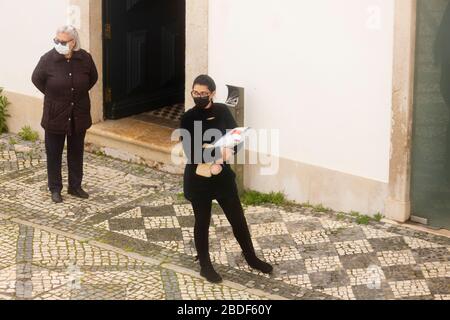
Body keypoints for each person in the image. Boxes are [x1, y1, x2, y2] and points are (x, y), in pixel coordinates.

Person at [179, 75, 273, 283]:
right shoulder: (187, 118)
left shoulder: (222, 111)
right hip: (199, 178)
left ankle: (251, 257)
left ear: (213, 93)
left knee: (237, 218)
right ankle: (205, 265)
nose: (199, 96)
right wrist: (219, 152)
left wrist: (229, 149)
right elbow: (190, 152)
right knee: (202, 222)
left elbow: (236, 139)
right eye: (196, 93)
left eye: (204, 93)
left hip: (222, 178)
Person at [32, 25, 98, 203]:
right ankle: (55, 188)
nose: (58, 44)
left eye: (62, 41)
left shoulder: (85, 59)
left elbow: (93, 78)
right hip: (55, 115)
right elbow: (36, 79)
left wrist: (75, 95)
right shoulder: (47, 59)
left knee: (76, 152)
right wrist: (55, 96)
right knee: (54, 153)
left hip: (79, 114)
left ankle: (75, 186)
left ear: (73, 42)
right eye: (56, 41)